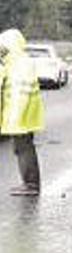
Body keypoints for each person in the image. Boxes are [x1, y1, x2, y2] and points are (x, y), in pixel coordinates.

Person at [0, 29, 45, 196]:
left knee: (23, 148)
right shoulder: (13, 62)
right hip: (21, 114)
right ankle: (29, 183)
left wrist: (15, 116)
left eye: (3, 46)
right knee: (22, 148)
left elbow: (21, 93)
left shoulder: (20, 64)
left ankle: (31, 184)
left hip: (21, 115)